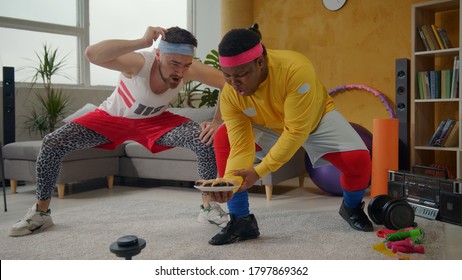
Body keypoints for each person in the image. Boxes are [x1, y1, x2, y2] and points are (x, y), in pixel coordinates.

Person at [9, 26, 228, 237]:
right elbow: (92, 54)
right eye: (174, 63)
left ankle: (209, 208)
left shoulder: (188, 69)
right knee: (52, 143)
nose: (180, 72)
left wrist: (217, 120)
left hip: (156, 122)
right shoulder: (139, 62)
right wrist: (141, 41)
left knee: (205, 139)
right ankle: (41, 212)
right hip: (112, 119)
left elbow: (226, 83)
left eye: (186, 65)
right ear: (159, 54)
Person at [207, 24, 373, 246]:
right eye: (227, 76)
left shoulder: (295, 69)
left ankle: (351, 207)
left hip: (314, 119)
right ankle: (241, 221)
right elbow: (240, 147)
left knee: (359, 161)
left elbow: (296, 131)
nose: (234, 83)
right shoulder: (231, 94)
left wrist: (260, 171)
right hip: (268, 126)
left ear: (260, 62)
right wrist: (231, 182)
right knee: (223, 136)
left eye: (241, 75)